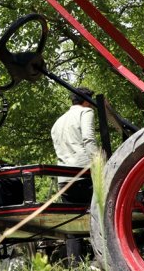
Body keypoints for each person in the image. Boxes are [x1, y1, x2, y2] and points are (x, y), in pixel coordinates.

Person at [51, 87, 97, 266]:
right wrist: (101, 164)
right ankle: (101, 261)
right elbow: (89, 139)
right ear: (87, 100)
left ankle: (75, 266)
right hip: (84, 172)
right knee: (99, 217)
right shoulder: (86, 112)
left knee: (73, 226)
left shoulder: (58, 122)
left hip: (64, 178)